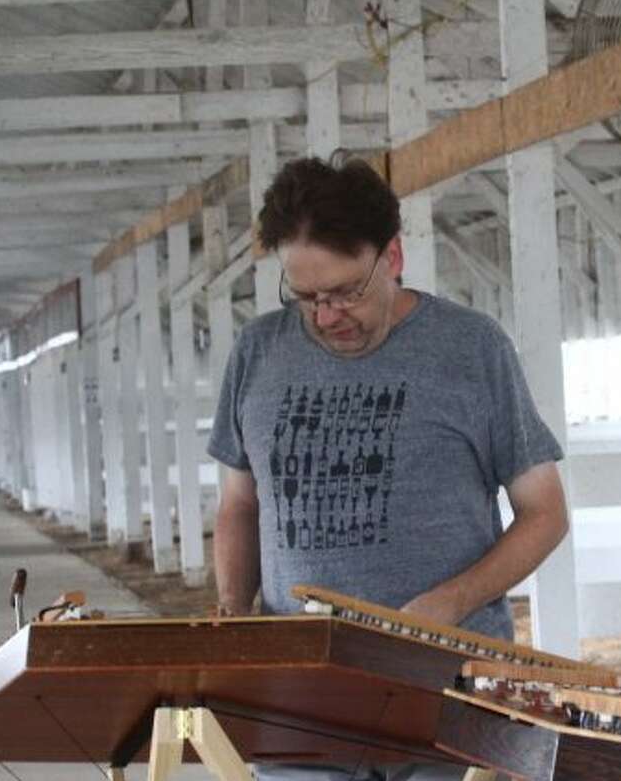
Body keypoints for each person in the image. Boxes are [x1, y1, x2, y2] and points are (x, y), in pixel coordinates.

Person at [208, 154, 569, 780]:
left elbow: (545, 513)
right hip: (301, 701)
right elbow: (241, 504)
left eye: (346, 292)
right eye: (306, 297)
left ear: (393, 257)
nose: (327, 316)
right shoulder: (257, 353)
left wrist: (449, 603)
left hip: (450, 692)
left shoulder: (471, 349)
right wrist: (234, 613)